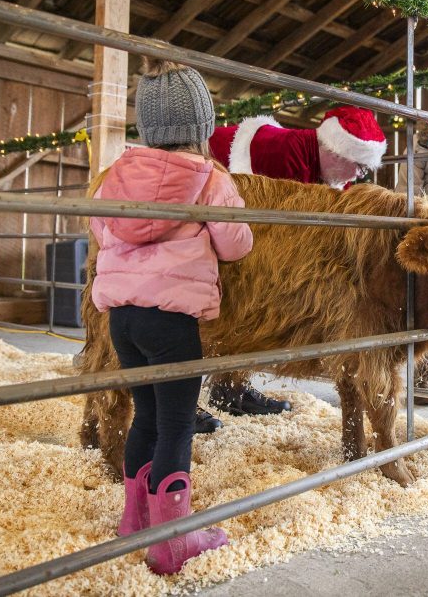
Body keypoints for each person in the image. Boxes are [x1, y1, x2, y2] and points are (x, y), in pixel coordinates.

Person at [90, 58, 253, 574]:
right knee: (178, 424)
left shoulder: (114, 177)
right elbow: (237, 244)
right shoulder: (210, 180)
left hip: (124, 322)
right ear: (202, 127)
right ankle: (171, 543)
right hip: (172, 324)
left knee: (147, 415)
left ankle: (134, 521)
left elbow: (100, 232)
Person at [205, 105, 387, 416]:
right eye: (357, 165)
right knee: (224, 290)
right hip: (208, 193)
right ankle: (191, 396)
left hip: (232, 225)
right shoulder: (283, 155)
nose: (358, 175)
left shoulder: (327, 172)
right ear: (336, 150)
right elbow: (268, 228)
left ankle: (229, 387)